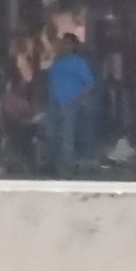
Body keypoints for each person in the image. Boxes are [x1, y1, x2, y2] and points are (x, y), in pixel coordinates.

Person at [43, 32, 98, 176]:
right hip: (54, 103)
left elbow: (90, 84)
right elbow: (51, 82)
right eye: (63, 43)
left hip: (70, 104)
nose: (64, 46)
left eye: (67, 43)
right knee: (53, 134)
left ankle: (66, 166)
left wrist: (78, 99)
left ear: (74, 46)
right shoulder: (57, 62)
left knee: (68, 135)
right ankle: (52, 164)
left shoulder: (79, 62)